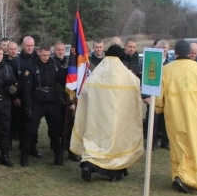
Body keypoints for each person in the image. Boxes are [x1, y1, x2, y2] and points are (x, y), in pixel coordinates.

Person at [70, 45, 144, 182]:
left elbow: (85, 93)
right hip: (118, 119)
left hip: (97, 119)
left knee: (95, 142)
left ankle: (88, 166)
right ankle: (113, 173)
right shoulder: (127, 77)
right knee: (114, 145)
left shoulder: (96, 75)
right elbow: (135, 88)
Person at [155, 40, 197, 193]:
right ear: (189, 52)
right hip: (195, 114)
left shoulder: (166, 70)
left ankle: (180, 174)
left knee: (178, 145)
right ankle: (193, 177)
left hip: (174, 115)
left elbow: (159, 95)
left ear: (176, 53)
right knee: (195, 144)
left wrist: (158, 107)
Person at [21, 44, 66, 167]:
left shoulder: (56, 66)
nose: (46, 57)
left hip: (52, 101)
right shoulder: (31, 66)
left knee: (55, 130)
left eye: (48, 55)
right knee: (31, 130)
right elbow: (26, 89)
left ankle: (58, 156)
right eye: (44, 55)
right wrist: (28, 107)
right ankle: (24, 155)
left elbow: (64, 81)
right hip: (37, 101)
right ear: (39, 52)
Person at [11, 36, 42, 158]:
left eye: (32, 45)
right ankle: (23, 148)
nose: (29, 48)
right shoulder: (16, 61)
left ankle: (33, 147)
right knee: (22, 124)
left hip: (35, 98)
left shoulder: (38, 59)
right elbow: (13, 81)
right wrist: (15, 97)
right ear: (23, 46)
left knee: (34, 125)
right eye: (27, 45)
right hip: (21, 97)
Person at [142, 40, 173, 149]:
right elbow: (146, 77)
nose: (164, 52)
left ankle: (165, 141)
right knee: (152, 121)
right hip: (153, 95)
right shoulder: (151, 60)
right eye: (162, 50)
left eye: (166, 50)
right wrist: (145, 96)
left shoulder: (171, 62)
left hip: (166, 96)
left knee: (166, 120)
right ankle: (152, 142)